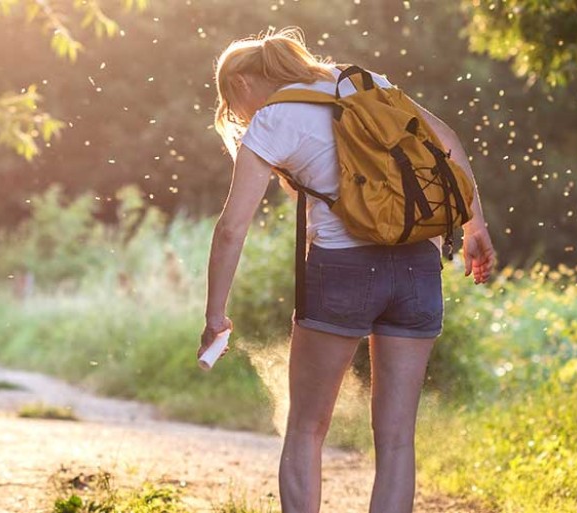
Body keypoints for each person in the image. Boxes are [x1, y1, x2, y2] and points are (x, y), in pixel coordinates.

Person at [199, 27, 496, 513]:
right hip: (419, 265)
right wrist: (474, 225)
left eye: (233, 105)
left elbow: (232, 228)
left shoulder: (274, 119)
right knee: (397, 438)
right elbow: (446, 139)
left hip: (343, 270)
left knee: (307, 427)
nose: (238, 115)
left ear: (241, 86)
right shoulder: (362, 81)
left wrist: (216, 314)